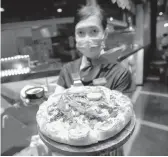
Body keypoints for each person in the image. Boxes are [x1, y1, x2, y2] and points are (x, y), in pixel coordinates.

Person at [20, 4, 133, 156]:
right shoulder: (68, 69)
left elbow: (118, 117)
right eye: (81, 33)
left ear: (104, 34)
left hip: (108, 151)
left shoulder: (120, 72)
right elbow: (56, 103)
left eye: (94, 31)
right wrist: (36, 98)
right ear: (75, 37)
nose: (87, 39)